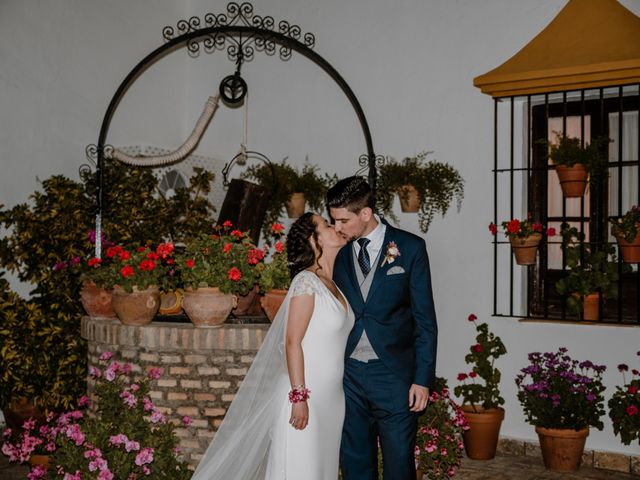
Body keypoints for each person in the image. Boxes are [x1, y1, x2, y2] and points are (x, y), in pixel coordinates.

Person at [192, 212, 354, 480]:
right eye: (326, 224)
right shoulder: (306, 282)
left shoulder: (333, 285)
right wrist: (299, 398)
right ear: (314, 241)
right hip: (304, 398)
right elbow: (292, 341)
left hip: (332, 400)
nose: (335, 227)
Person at [326, 176, 438, 480]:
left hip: (393, 376)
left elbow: (425, 320)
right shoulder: (338, 253)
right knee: (355, 461)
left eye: (343, 220)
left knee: (399, 463)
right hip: (349, 376)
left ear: (365, 213)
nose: (337, 228)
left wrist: (422, 379)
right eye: (333, 221)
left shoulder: (410, 248)